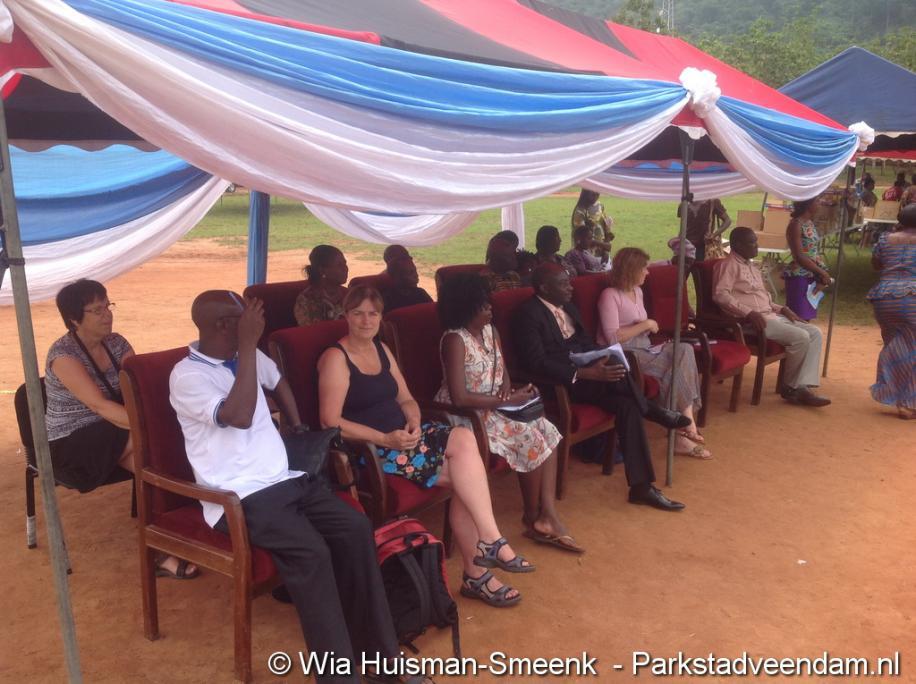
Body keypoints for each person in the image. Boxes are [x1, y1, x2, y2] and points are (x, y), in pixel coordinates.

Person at [170, 290, 402, 682]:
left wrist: (296, 425)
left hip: (286, 480)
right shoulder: (188, 376)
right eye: (245, 319)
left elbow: (277, 380)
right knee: (312, 552)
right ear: (224, 325)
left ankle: (380, 658)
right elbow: (239, 415)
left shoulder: (246, 357)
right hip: (239, 496)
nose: (256, 325)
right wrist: (247, 346)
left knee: (355, 527)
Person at [319, 287, 532, 608]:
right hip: (372, 450)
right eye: (358, 313)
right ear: (346, 316)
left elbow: (406, 398)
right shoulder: (336, 358)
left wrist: (414, 421)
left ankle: (489, 545)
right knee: (467, 478)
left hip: (405, 438)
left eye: (373, 313)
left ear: (380, 317)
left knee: (464, 441)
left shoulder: (381, 349)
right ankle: (480, 570)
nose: (366, 320)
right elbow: (330, 422)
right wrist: (385, 439)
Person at [46, 279, 197, 579]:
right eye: (96, 310)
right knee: (160, 454)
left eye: (108, 306)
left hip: (115, 428)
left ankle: (165, 543)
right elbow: (100, 406)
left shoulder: (117, 343)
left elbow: (139, 389)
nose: (107, 315)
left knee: (152, 465)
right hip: (71, 444)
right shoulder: (63, 356)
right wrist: (159, 427)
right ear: (74, 319)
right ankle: (171, 539)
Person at [514, 263, 690, 511]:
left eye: (569, 282)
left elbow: (586, 342)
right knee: (623, 381)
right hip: (561, 384)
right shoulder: (528, 315)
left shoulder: (568, 307)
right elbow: (535, 362)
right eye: (563, 284)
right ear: (544, 288)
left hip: (590, 376)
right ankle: (652, 410)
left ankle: (641, 487)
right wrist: (585, 372)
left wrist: (601, 358)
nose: (570, 287)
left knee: (627, 402)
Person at [434, 274, 583, 553]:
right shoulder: (455, 340)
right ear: (465, 308)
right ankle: (531, 516)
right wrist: (505, 400)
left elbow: (501, 372)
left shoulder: (491, 331)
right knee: (530, 438)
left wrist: (511, 392)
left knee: (547, 429)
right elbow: (459, 397)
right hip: (465, 417)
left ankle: (547, 514)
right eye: (483, 306)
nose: (490, 309)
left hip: (495, 408)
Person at [597, 249, 710, 459]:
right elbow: (612, 338)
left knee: (684, 350)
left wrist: (647, 327)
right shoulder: (610, 296)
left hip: (646, 347)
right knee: (672, 371)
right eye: (644, 268)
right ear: (631, 270)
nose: (647, 273)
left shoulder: (637, 292)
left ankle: (684, 423)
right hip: (626, 355)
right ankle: (684, 430)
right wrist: (646, 324)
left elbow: (639, 325)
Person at [714, 228, 831, 407]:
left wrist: (782, 308)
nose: (757, 245)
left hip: (770, 315)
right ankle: (791, 388)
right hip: (751, 322)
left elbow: (764, 298)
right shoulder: (728, 266)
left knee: (815, 333)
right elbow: (720, 295)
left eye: (756, 241)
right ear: (737, 245)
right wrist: (748, 313)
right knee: (801, 337)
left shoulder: (751, 266)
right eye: (752, 242)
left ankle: (802, 386)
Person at [867, 204, 916, 419]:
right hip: (912, 298)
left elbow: (876, 264)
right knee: (912, 347)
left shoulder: (885, 239)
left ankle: (897, 394)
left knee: (896, 345)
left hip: (884, 299)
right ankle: (909, 403)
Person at [784, 198, 832, 321]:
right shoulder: (796, 225)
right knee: (798, 318)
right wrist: (822, 272)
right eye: (817, 201)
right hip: (800, 275)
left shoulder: (808, 222)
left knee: (807, 318)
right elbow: (799, 256)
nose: (820, 203)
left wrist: (819, 274)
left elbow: (812, 252)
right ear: (808, 204)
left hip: (811, 273)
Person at [294, 245, 349, 326]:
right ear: (322, 270)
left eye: (345, 263)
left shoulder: (349, 295)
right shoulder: (307, 300)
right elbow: (311, 331)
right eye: (339, 265)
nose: (346, 269)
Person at [571, 189, 613, 263]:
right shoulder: (580, 210)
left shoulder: (600, 206)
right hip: (586, 255)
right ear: (586, 192)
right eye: (592, 191)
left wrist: (605, 250)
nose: (596, 194)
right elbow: (582, 238)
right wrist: (604, 245)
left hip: (602, 253)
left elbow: (606, 228)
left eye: (597, 191)